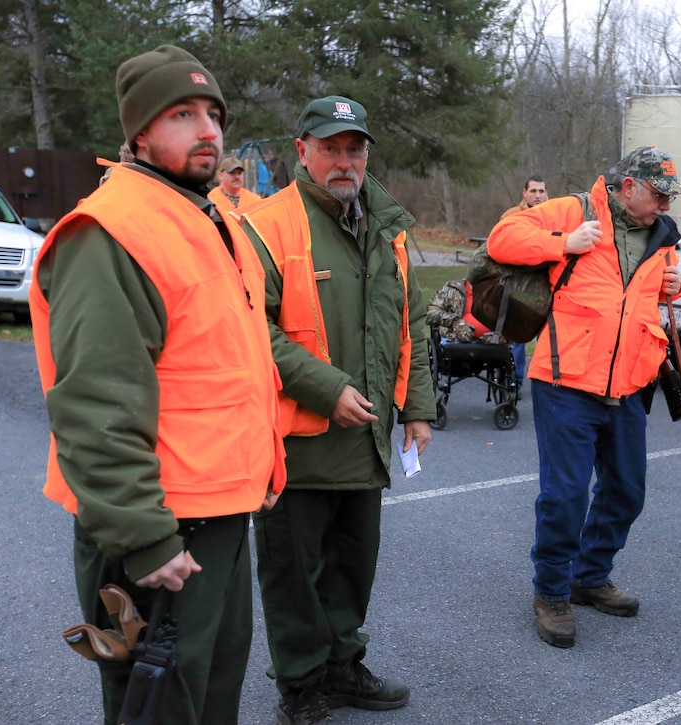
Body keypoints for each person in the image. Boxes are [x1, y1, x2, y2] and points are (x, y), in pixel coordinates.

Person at [28, 44, 286, 724]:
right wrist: (146, 538)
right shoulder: (113, 230)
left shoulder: (208, 215)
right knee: (161, 707)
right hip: (162, 527)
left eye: (213, 113)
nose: (207, 131)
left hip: (220, 514)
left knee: (210, 698)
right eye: (181, 114)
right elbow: (95, 407)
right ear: (140, 131)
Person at [240, 95, 436, 725]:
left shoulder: (389, 228)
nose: (344, 161)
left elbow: (412, 324)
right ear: (302, 152)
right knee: (293, 574)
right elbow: (251, 332)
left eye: (355, 149)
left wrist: (417, 409)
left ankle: (344, 668)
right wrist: (325, 387)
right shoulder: (267, 225)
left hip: (368, 441)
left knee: (353, 566)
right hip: (292, 444)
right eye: (330, 148)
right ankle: (301, 686)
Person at [488, 145, 681, 648]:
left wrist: (675, 284)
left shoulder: (664, 235)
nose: (667, 205)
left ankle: (589, 575)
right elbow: (502, 238)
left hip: (628, 383)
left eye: (669, 197)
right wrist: (563, 242)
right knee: (566, 495)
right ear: (629, 187)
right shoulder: (574, 210)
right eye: (660, 195)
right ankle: (551, 591)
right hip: (565, 379)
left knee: (626, 490)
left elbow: (651, 295)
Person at [499, 174, 550, 384]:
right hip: (519, 286)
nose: (538, 195)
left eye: (541, 191)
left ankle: (546, 381)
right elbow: (501, 248)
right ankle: (514, 380)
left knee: (548, 336)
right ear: (525, 193)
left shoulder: (555, 215)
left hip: (548, 287)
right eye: (533, 191)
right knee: (517, 336)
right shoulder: (511, 217)